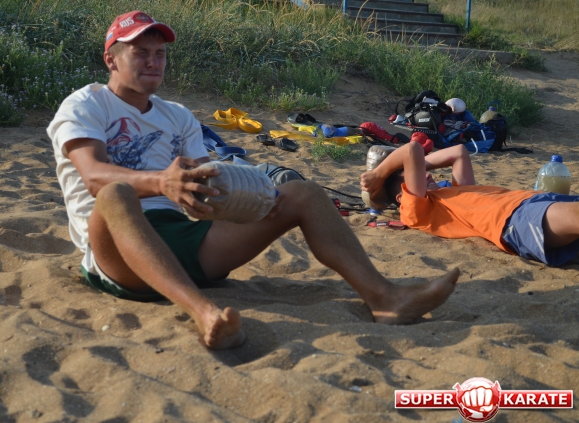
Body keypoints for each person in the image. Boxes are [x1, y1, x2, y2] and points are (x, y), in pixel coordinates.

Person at [47, 10, 460, 350]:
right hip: (117, 254)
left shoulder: (177, 115)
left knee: (302, 193)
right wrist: (162, 183)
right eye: (140, 53)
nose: (153, 62)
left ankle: (385, 298)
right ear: (111, 59)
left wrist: (238, 196)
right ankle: (204, 313)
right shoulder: (87, 104)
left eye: (160, 53)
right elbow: (93, 176)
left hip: (184, 241)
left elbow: (208, 183)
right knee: (116, 192)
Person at [360, 142, 579, 266]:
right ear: (402, 197)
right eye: (410, 173)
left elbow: (459, 152)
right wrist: (379, 174)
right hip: (516, 218)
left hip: (535, 200)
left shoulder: (454, 192)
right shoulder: (416, 211)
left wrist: (404, 169)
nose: (424, 172)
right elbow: (412, 150)